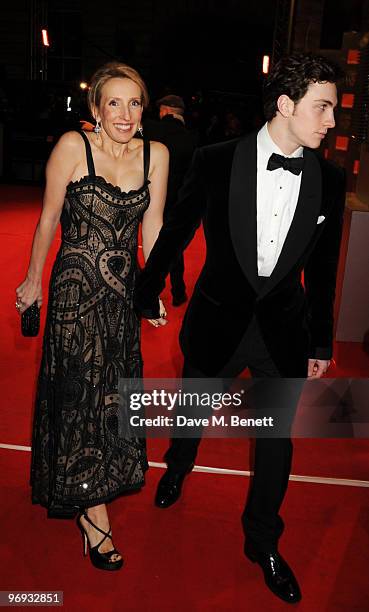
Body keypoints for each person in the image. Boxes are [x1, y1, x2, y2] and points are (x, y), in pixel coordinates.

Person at [134, 53, 346, 602]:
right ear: (285, 104)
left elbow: (323, 272)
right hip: (217, 318)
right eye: (322, 108)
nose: (330, 122)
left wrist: (320, 340)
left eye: (334, 110)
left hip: (283, 331)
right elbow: (176, 232)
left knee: (277, 443)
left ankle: (263, 542)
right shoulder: (214, 159)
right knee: (193, 408)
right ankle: (179, 465)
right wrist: (145, 287)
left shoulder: (330, 178)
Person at [15, 61, 169, 571]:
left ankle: (91, 488)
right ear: (96, 110)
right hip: (74, 296)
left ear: (142, 110)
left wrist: (153, 291)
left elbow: (154, 230)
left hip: (121, 299)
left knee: (112, 395)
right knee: (79, 394)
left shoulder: (157, 154)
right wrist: (33, 280)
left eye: (134, 103)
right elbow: (48, 220)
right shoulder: (71, 148)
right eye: (114, 103)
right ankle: (93, 513)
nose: (125, 114)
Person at [145, 94, 196, 306]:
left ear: (165, 110)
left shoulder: (153, 129)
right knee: (173, 244)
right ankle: (178, 290)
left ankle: (148, 289)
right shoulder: (193, 137)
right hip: (179, 200)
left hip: (153, 197)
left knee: (148, 239)